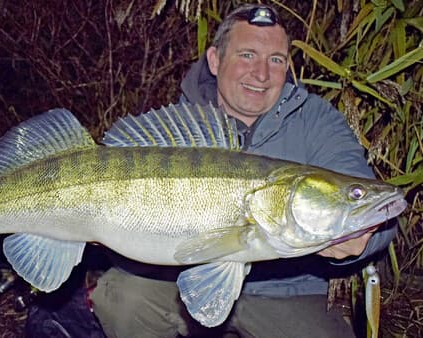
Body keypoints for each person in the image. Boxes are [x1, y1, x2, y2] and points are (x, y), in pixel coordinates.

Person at [87, 4, 397, 338]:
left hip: (289, 292)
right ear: (215, 60)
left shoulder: (317, 121)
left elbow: (380, 218)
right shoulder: (182, 129)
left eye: (276, 59)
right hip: (176, 281)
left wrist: (361, 242)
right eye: (247, 55)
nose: (261, 74)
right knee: (122, 298)